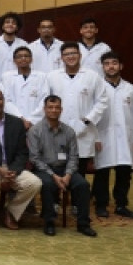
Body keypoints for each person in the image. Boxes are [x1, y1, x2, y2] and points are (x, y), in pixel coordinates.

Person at [0, 88, 42, 230]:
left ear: (4, 101)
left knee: (34, 183)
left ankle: (10, 212)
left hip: (12, 167)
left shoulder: (17, 123)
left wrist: (13, 171)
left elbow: (22, 152)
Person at [28, 95, 97, 237]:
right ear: (44, 109)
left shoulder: (69, 131)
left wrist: (68, 175)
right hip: (44, 170)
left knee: (83, 185)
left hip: (65, 170)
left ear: (61, 110)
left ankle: (83, 224)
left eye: (57, 107)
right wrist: (53, 175)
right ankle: (49, 222)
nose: (53, 110)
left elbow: (73, 156)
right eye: (50, 107)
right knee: (48, 184)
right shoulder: (35, 131)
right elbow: (35, 158)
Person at [46, 42, 108, 182]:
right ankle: (56, 202)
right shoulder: (52, 77)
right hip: (57, 131)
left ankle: (76, 202)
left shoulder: (92, 76)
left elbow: (102, 101)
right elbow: (45, 102)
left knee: (78, 170)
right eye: (67, 54)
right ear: (61, 57)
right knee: (57, 166)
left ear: (80, 55)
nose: (70, 57)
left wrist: (87, 120)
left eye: (73, 53)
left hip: (83, 131)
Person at [93, 52, 133, 219]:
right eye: (107, 63)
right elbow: (92, 115)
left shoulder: (131, 89)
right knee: (102, 172)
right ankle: (101, 204)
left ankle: (121, 204)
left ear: (121, 66)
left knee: (124, 172)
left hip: (125, 137)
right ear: (102, 67)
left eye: (114, 63)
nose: (111, 66)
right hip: (102, 137)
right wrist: (94, 137)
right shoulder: (98, 88)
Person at [1, 46, 46, 126]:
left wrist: (31, 120)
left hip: (36, 123)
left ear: (31, 59)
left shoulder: (41, 76)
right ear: (14, 60)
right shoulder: (6, 77)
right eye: (19, 56)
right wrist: (20, 118)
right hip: (14, 121)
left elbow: (44, 100)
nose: (23, 58)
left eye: (26, 56)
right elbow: (6, 100)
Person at [0, 12, 29, 78]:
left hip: (17, 81)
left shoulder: (23, 44)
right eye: (7, 22)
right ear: (2, 26)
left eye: (13, 23)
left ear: (17, 27)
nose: (10, 24)